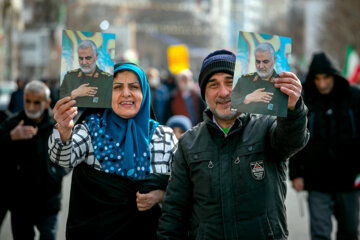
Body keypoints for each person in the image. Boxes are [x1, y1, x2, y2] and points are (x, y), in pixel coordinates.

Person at [157, 49, 309, 239]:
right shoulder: (188, 143)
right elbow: (174, 212)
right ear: (203, 93)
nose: (223, 92)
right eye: (213, 85)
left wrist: (294, 109)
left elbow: (292, 140)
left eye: (230, 82)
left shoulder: (267, 127)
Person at [48, 63, 177, 239]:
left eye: (134, 87)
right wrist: (64, 131)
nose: (126, 93)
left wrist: (162, 195)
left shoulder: (164, 137)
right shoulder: (90, 129)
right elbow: (62, 159)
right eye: (117, 87)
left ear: (145, 93)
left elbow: (183, 188)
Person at [289, 52, 360, 240]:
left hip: (349, 181)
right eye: (318, 79)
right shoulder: (303, 101)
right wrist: (296, 173)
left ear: (334, 76)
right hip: (316, 181)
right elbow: (295, 136)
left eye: (326, 78)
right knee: (320, 234)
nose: (322, 84)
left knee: (350, 232)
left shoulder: (354, 97)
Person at [0, 80, 69, 239]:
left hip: (49, 202)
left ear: (47, 103)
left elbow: (70, 155)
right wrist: (11, 137)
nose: (31, 107)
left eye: (37, 103)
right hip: (20, 203)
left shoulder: (58, 126)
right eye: (28, 101)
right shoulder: (14, 123)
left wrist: (55, 173)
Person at [231, 42, 288, 117]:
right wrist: (246, 99)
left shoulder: (283, 85)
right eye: (258, 62)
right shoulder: (243, 81)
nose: (261, 66)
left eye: (265, 62)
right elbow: (229, 103)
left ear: (274, 60)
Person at [60, 39, 113, 108]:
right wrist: (74, 94)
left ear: (96, 56)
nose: (84, 62)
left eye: (88, 58)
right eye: (81, 58)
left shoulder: (108, 80)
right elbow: (59, 103)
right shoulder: (69, 77)